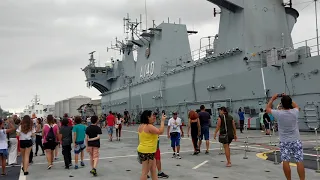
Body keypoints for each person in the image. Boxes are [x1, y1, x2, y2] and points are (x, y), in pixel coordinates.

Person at [266, 94, 305, 180]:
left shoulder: (279, 113)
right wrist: (287, 97)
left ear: (282, 104)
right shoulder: (295, 112)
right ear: (290, 103)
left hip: (284, 141)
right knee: (299, 161)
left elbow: (267, 109)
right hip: (296, 140)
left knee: (286, 161)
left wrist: (272, 99)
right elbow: (296, 106)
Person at [137, 111, 165, 180]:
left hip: (144, 150)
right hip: (148, 152)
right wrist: (162, 121)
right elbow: (160, 131)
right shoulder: (149, 127)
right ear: (148, 117)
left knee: (153, 169)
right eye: (152, 116)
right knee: (145, 172)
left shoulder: (141, 126)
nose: (154, 117)